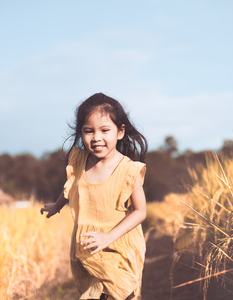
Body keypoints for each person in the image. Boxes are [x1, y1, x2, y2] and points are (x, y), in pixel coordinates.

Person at [40, 92, 148, 300]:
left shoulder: (128, 170)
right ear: (81, 133)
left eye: (104, 130)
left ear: (120, 132)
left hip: (118, 247)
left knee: (110, 294)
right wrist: (57, 205)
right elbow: (72, 186)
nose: (96, 137)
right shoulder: (79, 160)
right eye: (89, 131)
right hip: (87, 247)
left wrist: (108, 237)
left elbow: (140, 211)